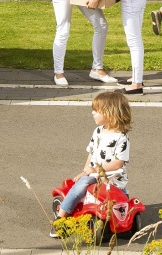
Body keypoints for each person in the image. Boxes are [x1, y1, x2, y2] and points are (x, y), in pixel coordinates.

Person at [51, 90, 132, 235]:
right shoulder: (98, 132)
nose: (92, 113)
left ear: (110, 114)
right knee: (79, 187)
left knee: (122, 198)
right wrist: (86, 171)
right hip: (94, 176)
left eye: (96, 111)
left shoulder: (121, 138)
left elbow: (118, 163)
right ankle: (60, 218)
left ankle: (123, 219)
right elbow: (92, 153)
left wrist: (98, 169)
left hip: (113, 177)